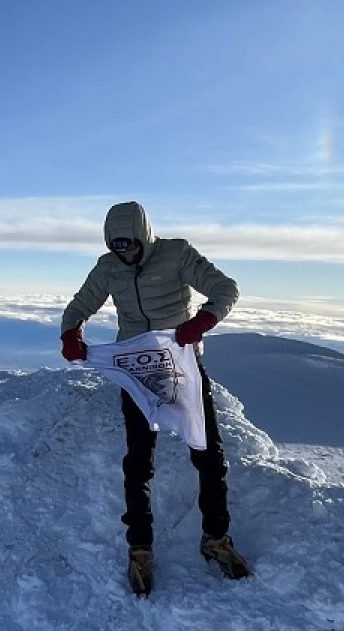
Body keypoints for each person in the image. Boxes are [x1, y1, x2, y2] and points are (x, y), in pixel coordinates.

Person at [60, 201, 250, 596]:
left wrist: (203, 321)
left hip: (183, 369)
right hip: (136, 371)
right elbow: (81, 304)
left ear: (144, 238)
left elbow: (225, 288)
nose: (124, 254)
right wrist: (71, 331)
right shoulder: (108, 267)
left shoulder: (177, 253)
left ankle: (216, 538)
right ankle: (140, 547)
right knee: (138, 461)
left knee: (208, 454)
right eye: (116, 247)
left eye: (129, 245)